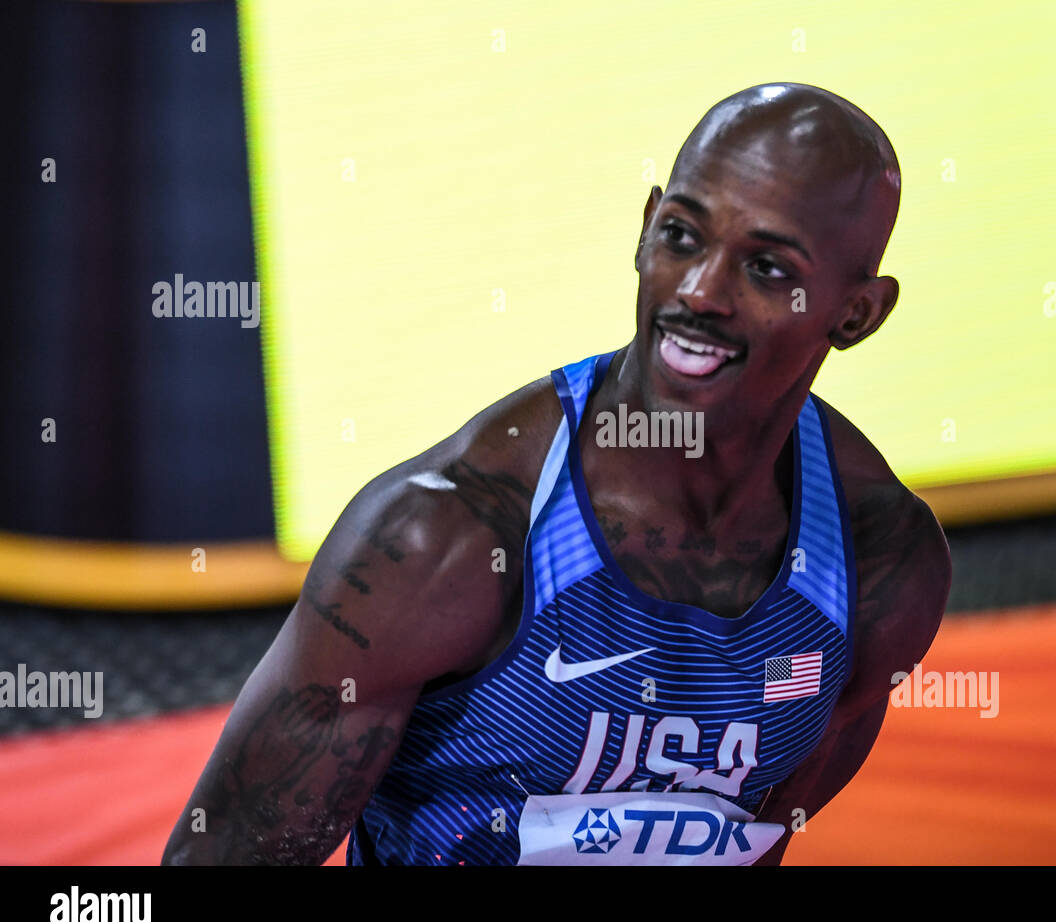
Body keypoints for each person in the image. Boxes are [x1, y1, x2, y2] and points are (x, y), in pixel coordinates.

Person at [161, 81, 951, 866]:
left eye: (768, 269)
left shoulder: (882, 563)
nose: (699, 292)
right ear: (644, 231)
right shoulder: (443, 542)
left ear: (857, 315)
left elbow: (758, 839)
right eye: (681, 235)